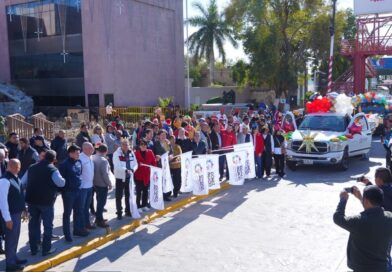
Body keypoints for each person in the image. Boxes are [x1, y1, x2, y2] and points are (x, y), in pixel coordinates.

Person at [333, 185, 392, 272]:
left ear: (366, 201)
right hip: (382, 267)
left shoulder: (358, 221)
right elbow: (373, 210)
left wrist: (343, 199)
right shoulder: (389, 217)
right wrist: (361, 198)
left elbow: (338, 218)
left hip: (361, 268)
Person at [24, 150, 65, 256]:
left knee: (32, 225)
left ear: (43, 157)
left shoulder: (31, 167)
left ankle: (34, 249)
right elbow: (61, 183)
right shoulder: (53, 169)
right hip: (46, 202)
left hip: (32, 201)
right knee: (48, 226)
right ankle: (46, 249)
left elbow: (23, 182)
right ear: (54, 159)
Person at [0, 159, 28, 271]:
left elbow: (20, 194)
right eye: (16, 167)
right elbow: (2, 202)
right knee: (10, 239)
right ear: (9, 166)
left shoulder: (16, 177)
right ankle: (10, 264)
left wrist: (24, 208)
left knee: (15, 238)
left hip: (17, 213)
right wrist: (7, 219)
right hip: (10, 215)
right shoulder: (4, 181)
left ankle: (13, 257)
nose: (18, 169)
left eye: (19, 166)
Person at [59, 145, 86, 242]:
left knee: (78, 211)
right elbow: (60, 180)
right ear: (70, 153)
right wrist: (64, 191)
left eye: (79, 153)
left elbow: (79, 174)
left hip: (78, 190)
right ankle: (67, 235)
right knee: (67, 214)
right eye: (77, 153)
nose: (79, 155)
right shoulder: (64, 164)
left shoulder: (79, 162)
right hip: (68, 193)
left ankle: (77, 230)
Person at [113, 139, 138, 220]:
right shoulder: (116, 154)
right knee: (119, 196)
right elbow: (117, 165)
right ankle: (119, 213)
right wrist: (125, 170)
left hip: (129, 178)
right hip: (120, 178)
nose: (126, 146)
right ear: (121, 145)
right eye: (124, 144)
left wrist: (133, 169)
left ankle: (128, 210)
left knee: (128, 195)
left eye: (127, 144)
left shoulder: (131, 153)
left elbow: (135, 163)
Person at [92, 144, 112, 228]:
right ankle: (99, 220)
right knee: (101, 203)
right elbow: (105, 174)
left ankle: (98, 218)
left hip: (94, 183)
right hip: (102, 184)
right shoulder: (103, 160)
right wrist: (109, 184)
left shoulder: (93, 157)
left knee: (99, 201)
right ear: (106, 151)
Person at [134, 140, 156, 211]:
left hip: (147, 174)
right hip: (138, 175)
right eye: (141, 145)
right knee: (138, 192)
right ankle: (138, 206)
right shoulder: (135, 153)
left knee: (145, 191)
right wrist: (138, 165)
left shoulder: (150, 152)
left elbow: (153, 162)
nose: (143, 146)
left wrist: (152, 167)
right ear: (139, 146)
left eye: (145, 145)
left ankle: (144, 205)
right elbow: (133, 163)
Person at [79, 142, 95, 230]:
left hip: (90, 186)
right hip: (83, 187)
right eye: (90, 148)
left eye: (92, 148)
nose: (92, 149)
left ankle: (87, 223)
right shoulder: (80, 158)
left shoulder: (91, 157)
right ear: (84, 149)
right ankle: (81, 226)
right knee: (81, 207)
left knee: (87, 206)